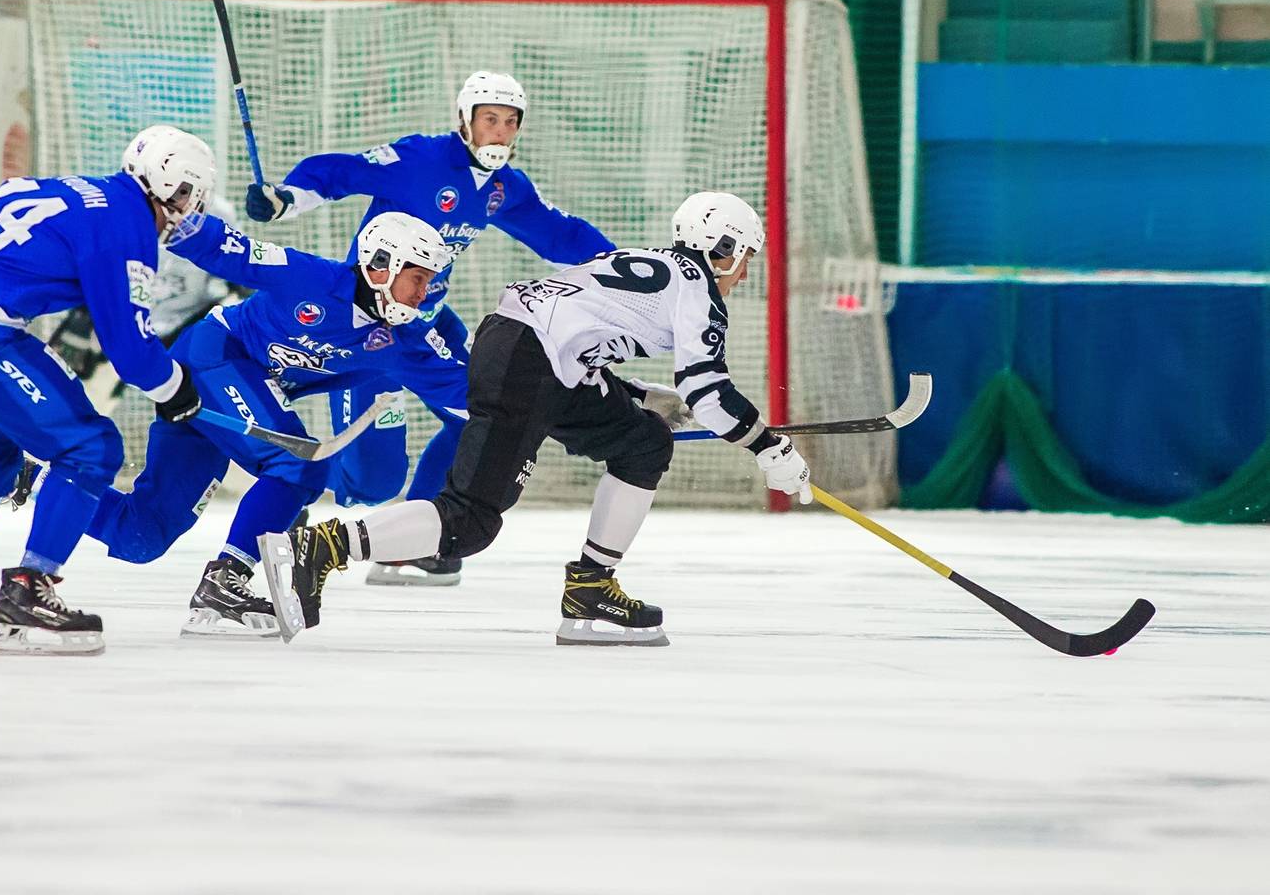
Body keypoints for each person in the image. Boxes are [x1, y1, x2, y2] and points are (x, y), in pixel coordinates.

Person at [263, 192, 813, 648]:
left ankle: (591, 588)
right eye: (746, 258)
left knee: (644, 441)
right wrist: (769, 447)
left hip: (530, 350)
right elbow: (708, 390)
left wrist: (639, 396)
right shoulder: (698, 289)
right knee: (467, 523)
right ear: (725, 250)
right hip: (530, 361)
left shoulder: (656, 264)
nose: (744, 274)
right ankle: (325, 545)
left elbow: (580, 333)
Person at [244, 71, 615, 586]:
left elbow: (561, 234)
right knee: (373, 484)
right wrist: (288, 196)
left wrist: (628, 270)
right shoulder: (419, 159)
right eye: (490, 120)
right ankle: (288, 501)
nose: (500, 133)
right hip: (371, 334)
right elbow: (343, 172)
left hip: (428, 327)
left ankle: (413, 542)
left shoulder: (506, 188)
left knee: (478, 416)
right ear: (464, 120)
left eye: (510, 123)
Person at [0, 125, 213, 655]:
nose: (187, 208)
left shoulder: (78, 190)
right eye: (188, 195)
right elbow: (132, 354)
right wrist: (179, 391)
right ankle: (29, 591)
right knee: (91, 447)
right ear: (172, 186)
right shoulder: (128, 225)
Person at [83, 208, 469, 637]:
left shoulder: (407, 342)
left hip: (229, 393)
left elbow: (470, 395)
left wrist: (545, 406)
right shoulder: (308, 276)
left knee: (140, 535)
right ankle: (224, 580)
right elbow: (230, 250)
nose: (426, 292)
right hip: (211, 357)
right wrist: (156, 219)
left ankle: (33, 478)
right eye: (418, 278)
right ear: (382, 266)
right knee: (299, 464)